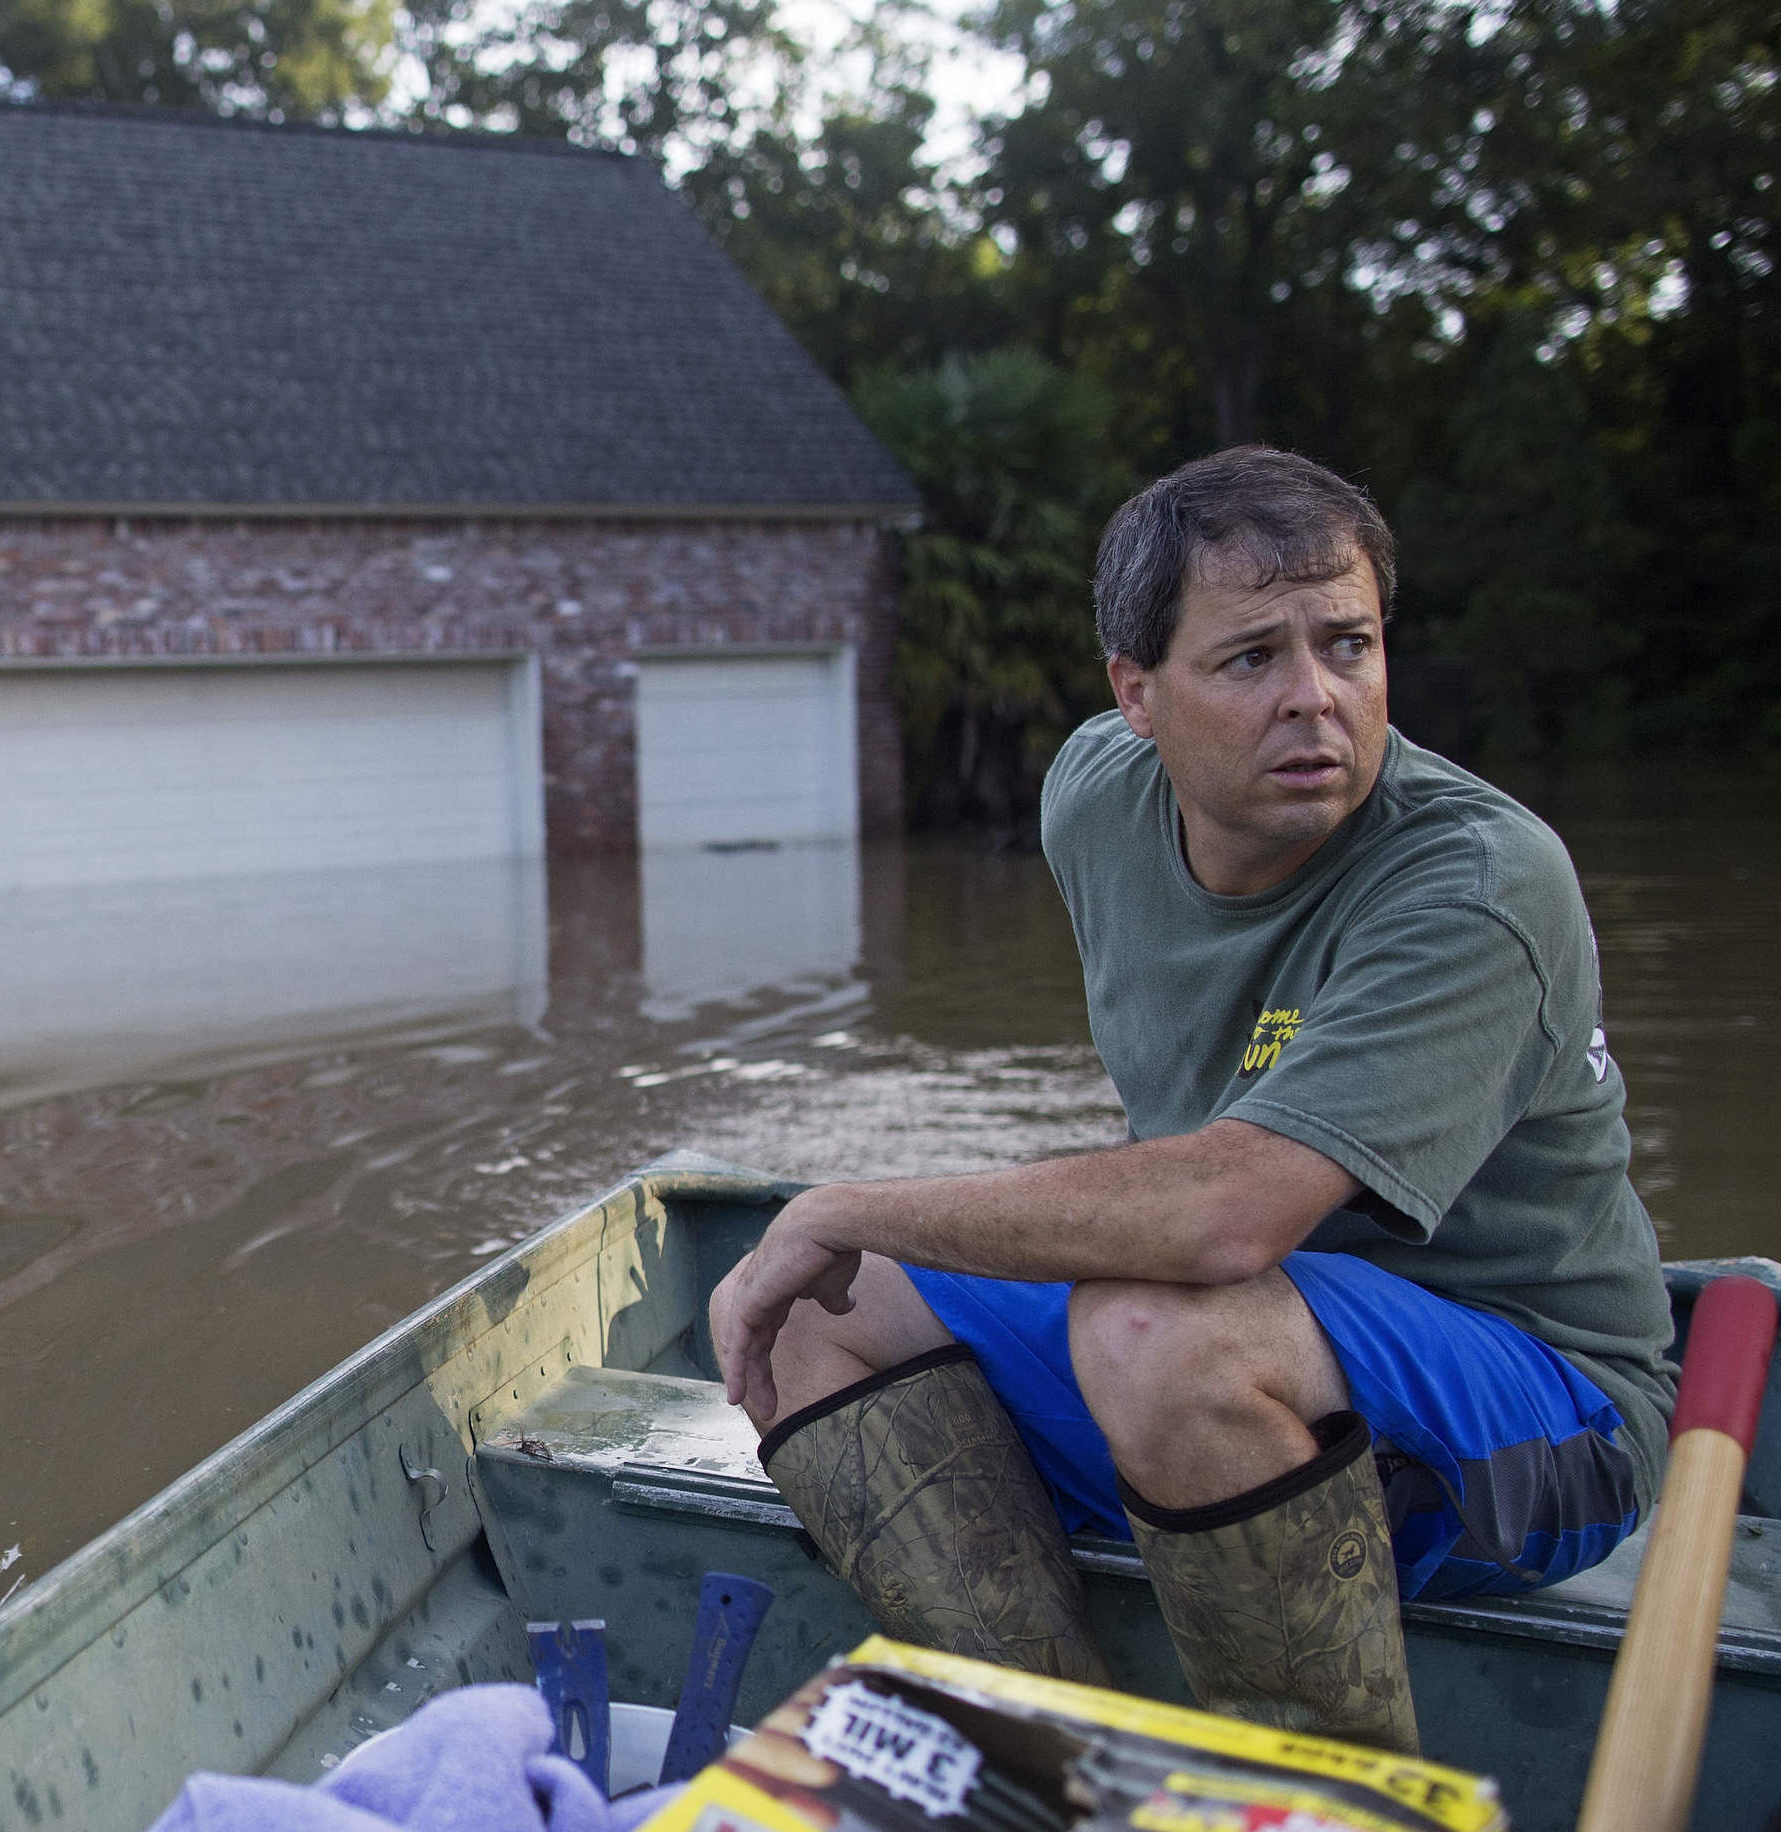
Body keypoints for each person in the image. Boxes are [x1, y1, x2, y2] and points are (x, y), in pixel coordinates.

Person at [710, 446, 1674, 1755]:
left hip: (1540, 1448)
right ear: (1136, 695)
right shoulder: (1090, 799)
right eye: (1249, 659)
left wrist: (848, 1196)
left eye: (1348, 645)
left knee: (1159, 1327)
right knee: (794, 1307)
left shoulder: (1477, 883)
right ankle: (1049, 1768)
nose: (1314, 699)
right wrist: (844, 1232)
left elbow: (1225, 1217)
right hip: (1250, 1360)